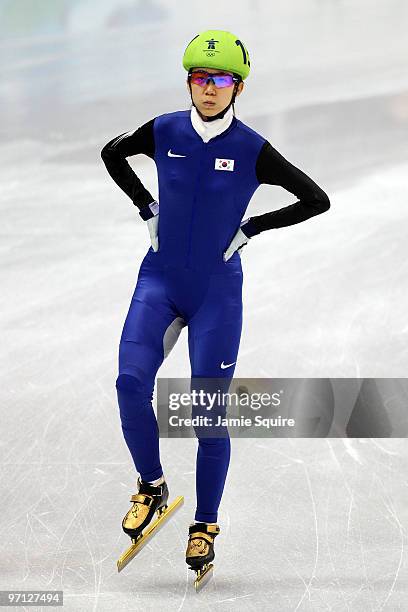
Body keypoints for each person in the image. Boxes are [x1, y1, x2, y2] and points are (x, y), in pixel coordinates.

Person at [101, 29, 330, 583]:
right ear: (188, 82)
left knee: (208, 411)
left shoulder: (253, 148)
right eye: (200, 78)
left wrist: (252, 226)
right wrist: (145, 208)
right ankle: (151, 487)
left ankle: (204, 524)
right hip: (159, 279)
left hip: (216, 293)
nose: (208, 88)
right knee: (131, 382)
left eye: (220, 79)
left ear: (238, 87)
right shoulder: (165, 129)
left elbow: (315, 199)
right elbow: (113, 153)